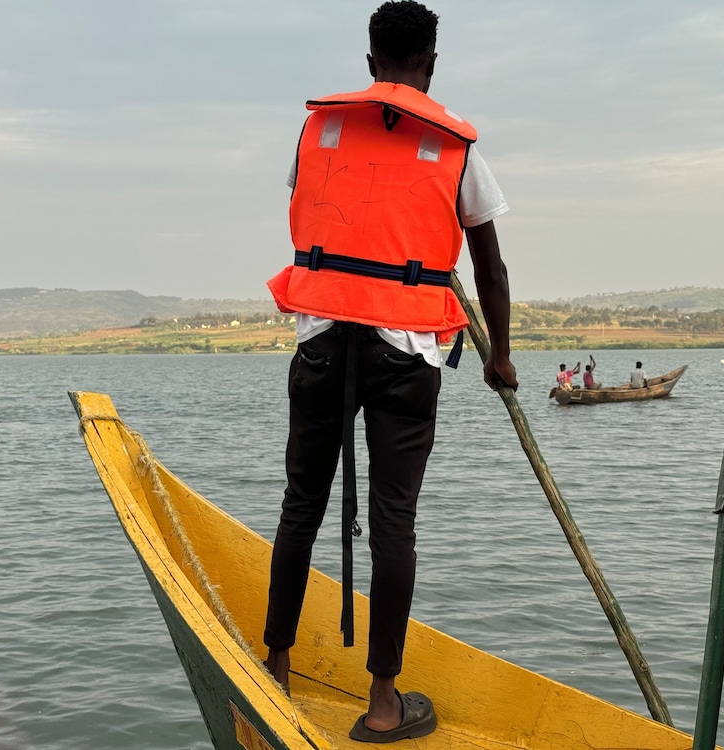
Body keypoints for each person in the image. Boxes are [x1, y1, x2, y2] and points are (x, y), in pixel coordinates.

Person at [263, 1, 517, 742]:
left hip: (321, 338)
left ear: (370, 62)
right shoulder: (456, 145)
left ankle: (275, 666)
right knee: (392, 520)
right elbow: (490, 267)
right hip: (405, 354)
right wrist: (499, 356)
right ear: (430, 65)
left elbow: (317, 206)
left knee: (300, 504)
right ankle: (381, 704)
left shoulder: (319, 128)